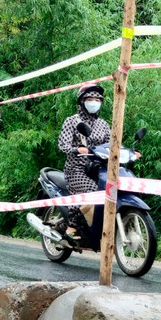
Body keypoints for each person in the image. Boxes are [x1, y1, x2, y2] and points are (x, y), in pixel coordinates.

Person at [56, 83, 110, 237]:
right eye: (90, 98)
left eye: (98, 100)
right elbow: (62, 144)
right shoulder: (72, 121)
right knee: (93, 193)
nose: (94, 102)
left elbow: (111, 145)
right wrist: (77, 149)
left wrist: (129, 152)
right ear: (82, 101)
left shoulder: (103, 125)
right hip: (76, 169)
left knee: (110, 193)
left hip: (98, 169)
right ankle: (72, 228)